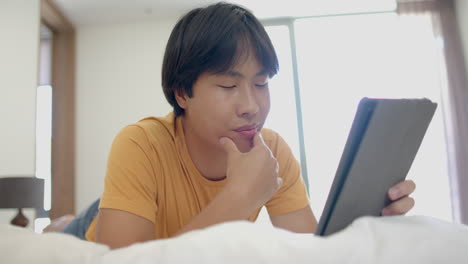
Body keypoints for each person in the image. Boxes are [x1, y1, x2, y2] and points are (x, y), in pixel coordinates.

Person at [76, 2, 415, 249]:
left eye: (262, 83)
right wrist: (240, 195)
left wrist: (368, 228)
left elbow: (311, 249)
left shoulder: (272, 151)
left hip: (140, 207)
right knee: (65, 233)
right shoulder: (140, 144)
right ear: (182, 93)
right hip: (94, 229)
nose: (252, 107)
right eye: (228, 86)